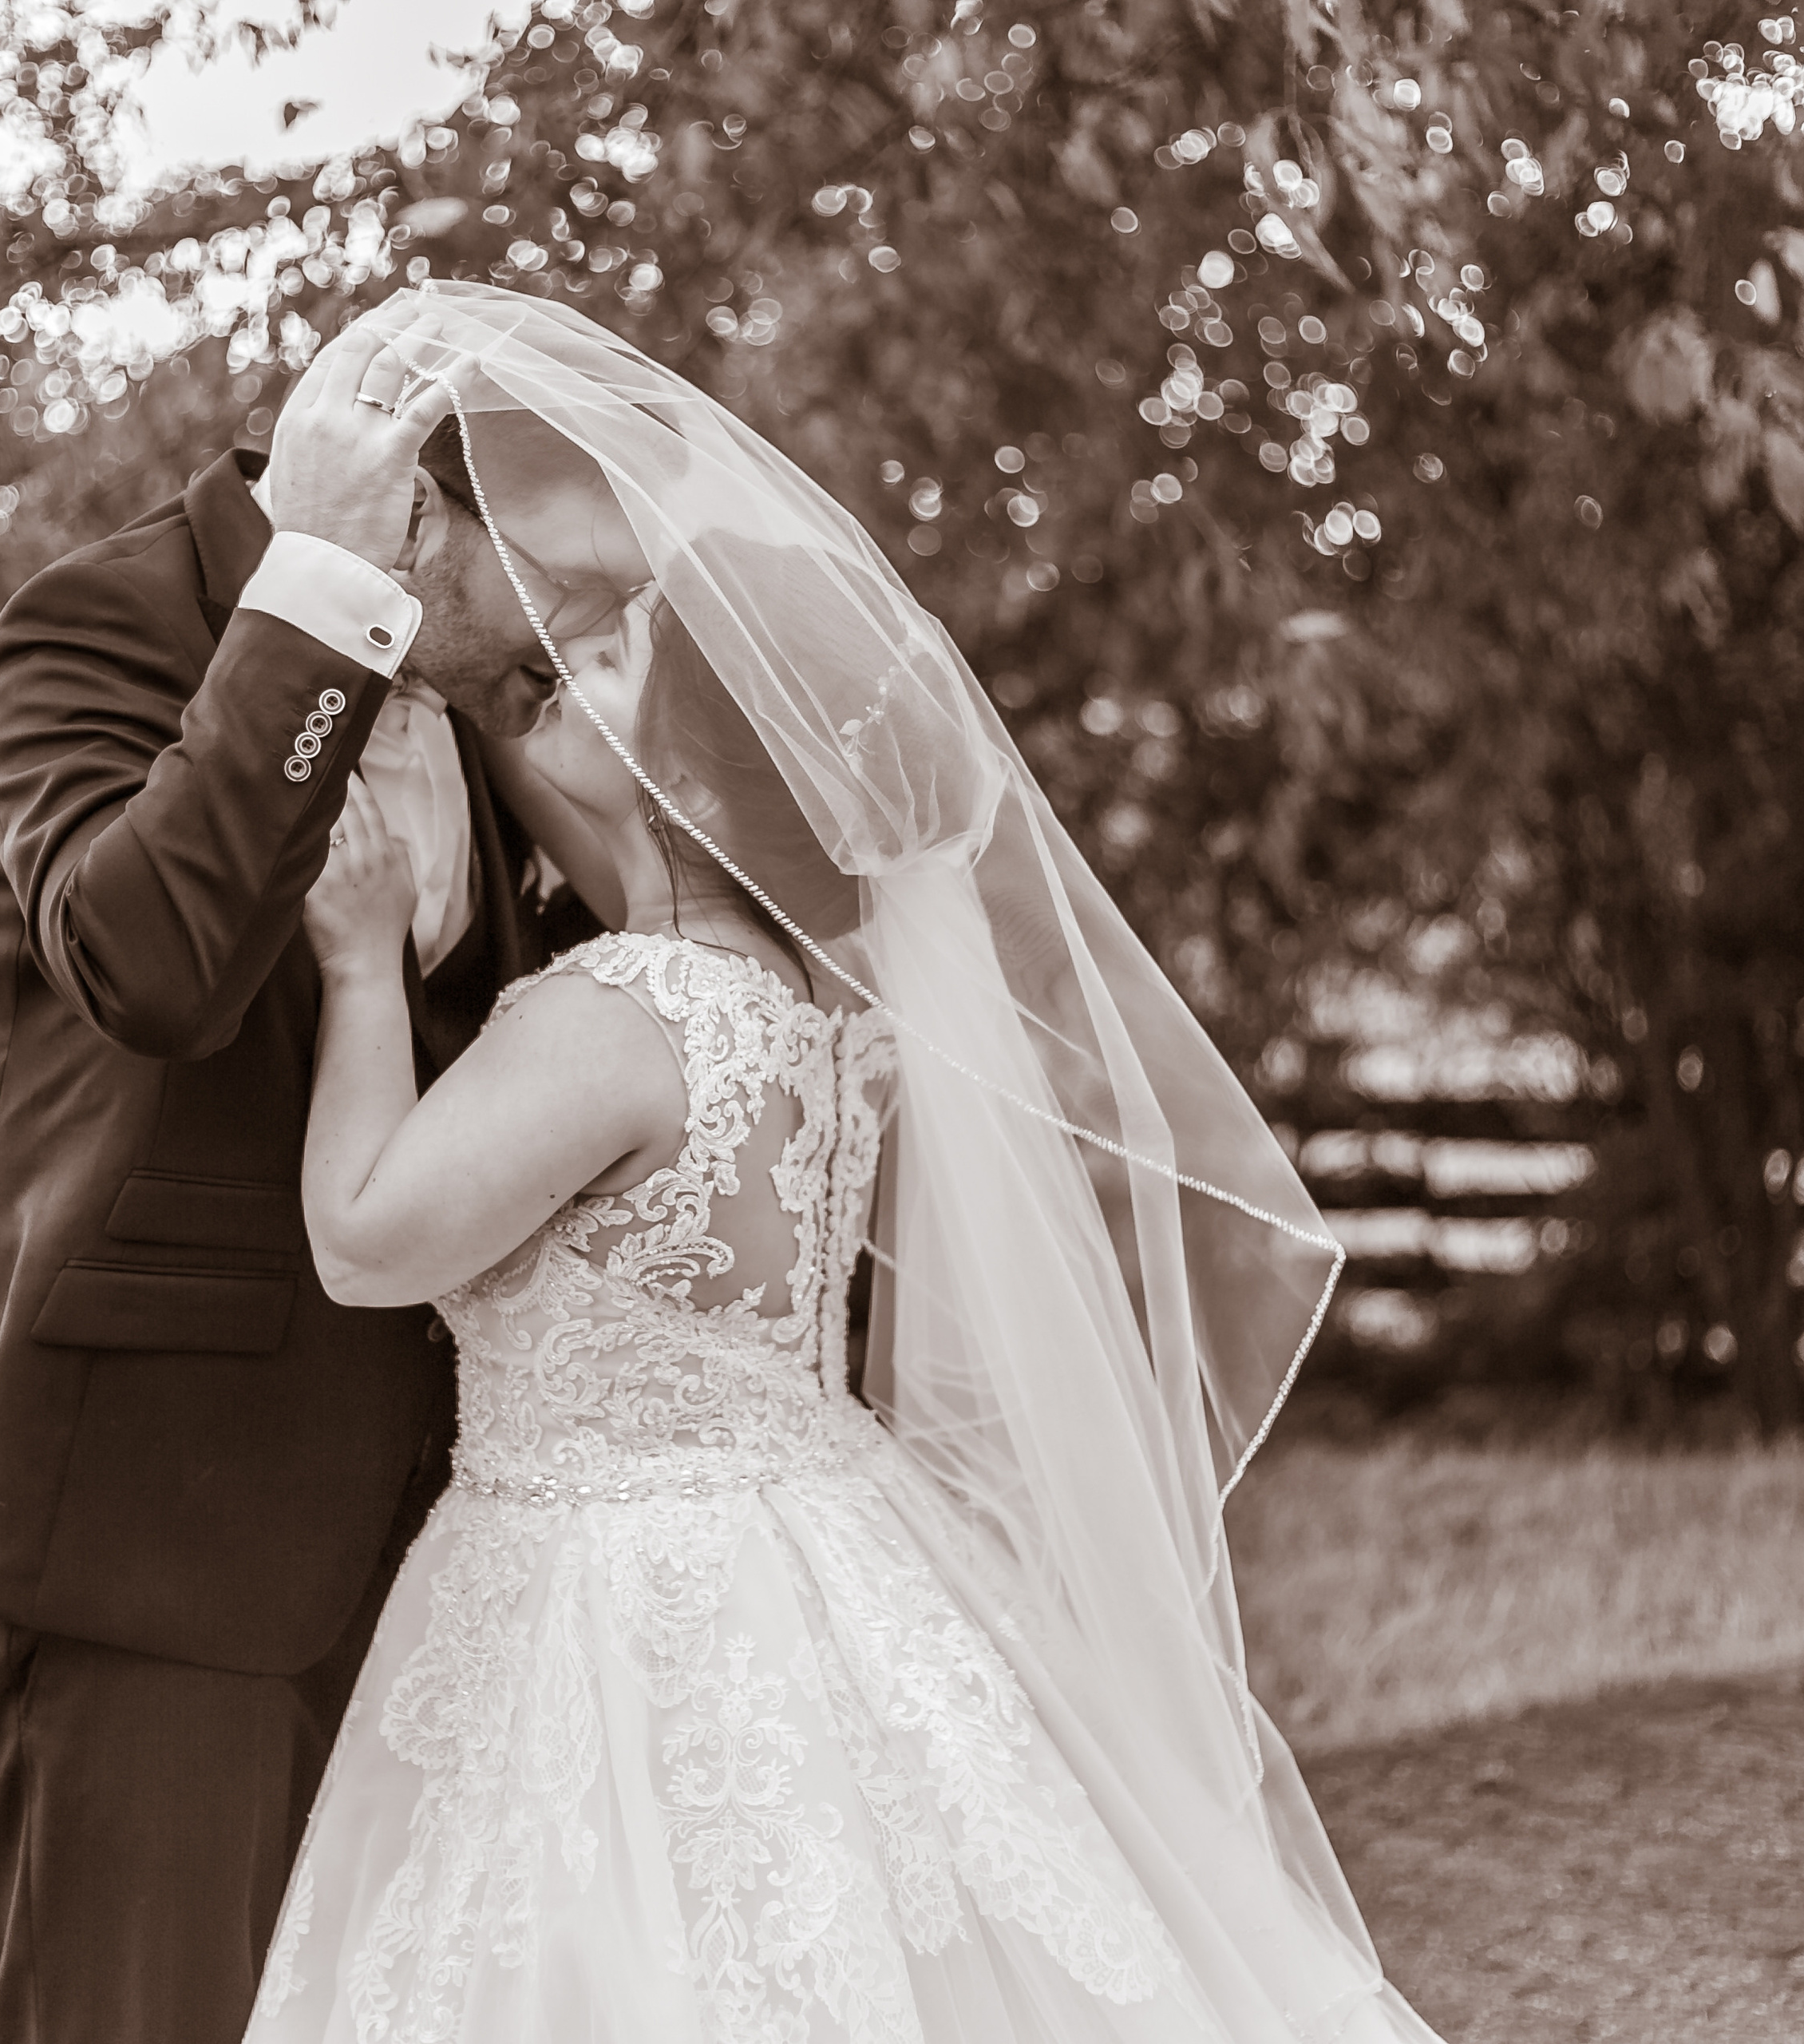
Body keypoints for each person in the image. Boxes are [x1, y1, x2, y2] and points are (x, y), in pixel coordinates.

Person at [243, 283, 1449, 2043]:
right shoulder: (822, 1022)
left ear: (669, 774)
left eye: (589, 680)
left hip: (612, 1607)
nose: (550, 694)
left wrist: (355, 956)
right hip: (821, 1556)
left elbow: (364, 1237)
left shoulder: (614, 1010)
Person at [0, 297, 612, 2044]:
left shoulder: (497, 722)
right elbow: (154, 964)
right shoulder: (95, 625)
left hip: (454, 1544)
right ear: (418, 516)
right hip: (154, 1526)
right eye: (551, 581)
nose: (570, 637)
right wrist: (320, 603)